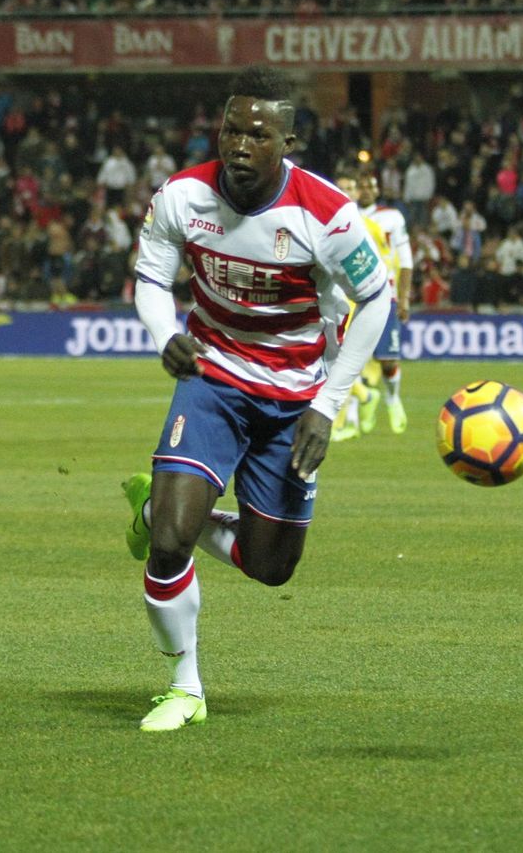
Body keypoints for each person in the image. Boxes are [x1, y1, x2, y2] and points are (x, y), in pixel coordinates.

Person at [120, 67, 392, 731]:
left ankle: (157, 506)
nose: (240, 144)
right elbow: (151, 278)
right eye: (231, 129)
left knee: (271, 567)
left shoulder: (326, 215)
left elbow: (378, 297)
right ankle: (185, 686)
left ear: (288, 141)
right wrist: (165, 335)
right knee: (169, 545)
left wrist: (329, 405)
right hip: (213, 382)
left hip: (295, 400)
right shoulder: (182, 198)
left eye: (258, 134)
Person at [352, 170, 413, 433]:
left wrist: (405, 297)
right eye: (361, 186)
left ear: (377, 191)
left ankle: (392, 398)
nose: (365, 190)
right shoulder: (344, 214)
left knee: (388, 359)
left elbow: (406, 260)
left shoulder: (391, 217)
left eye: (370, 186)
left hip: (384, 295)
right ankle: (353, 418)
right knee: (348, 359)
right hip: (351, 297)